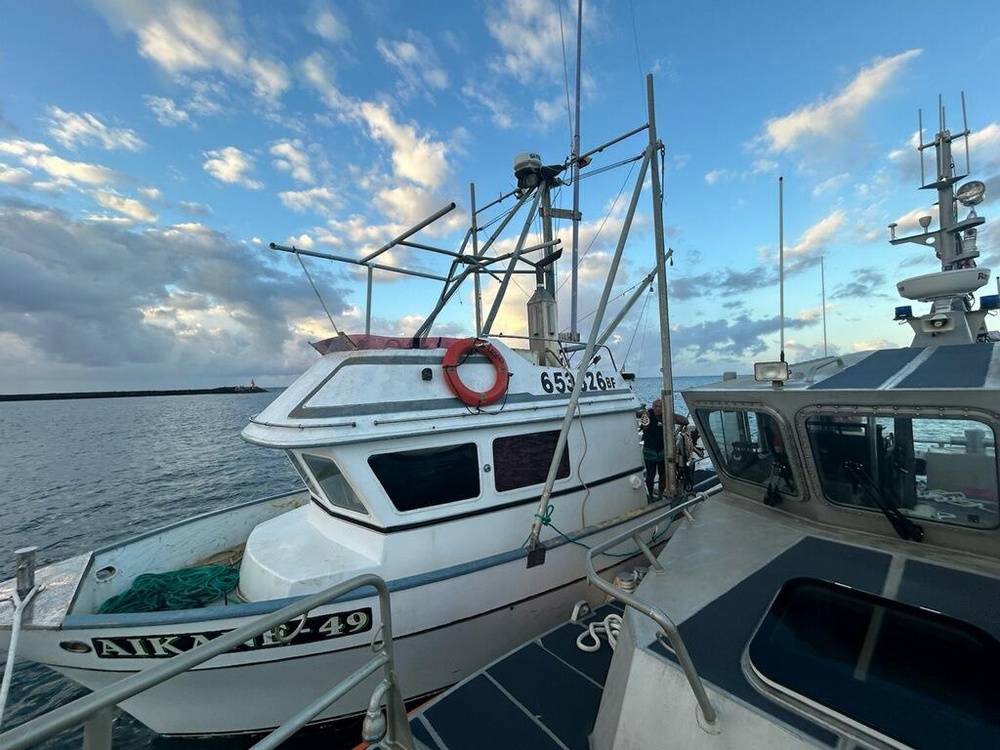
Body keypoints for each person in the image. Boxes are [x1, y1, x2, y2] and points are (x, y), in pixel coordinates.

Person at [641, 399, 689, 499]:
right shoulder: (648, 415)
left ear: (663, 408)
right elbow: (645, 427)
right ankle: (650, 495)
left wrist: (670, 415)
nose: (658, 409)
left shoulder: (666, 416)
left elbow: (685, 421)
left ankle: (659, 495)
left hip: (662, 451)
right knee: (650, 475)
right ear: (652, 407)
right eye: (655, 407)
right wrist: (644, 413)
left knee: (663, 475)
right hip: (649, 451)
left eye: (660, 407)